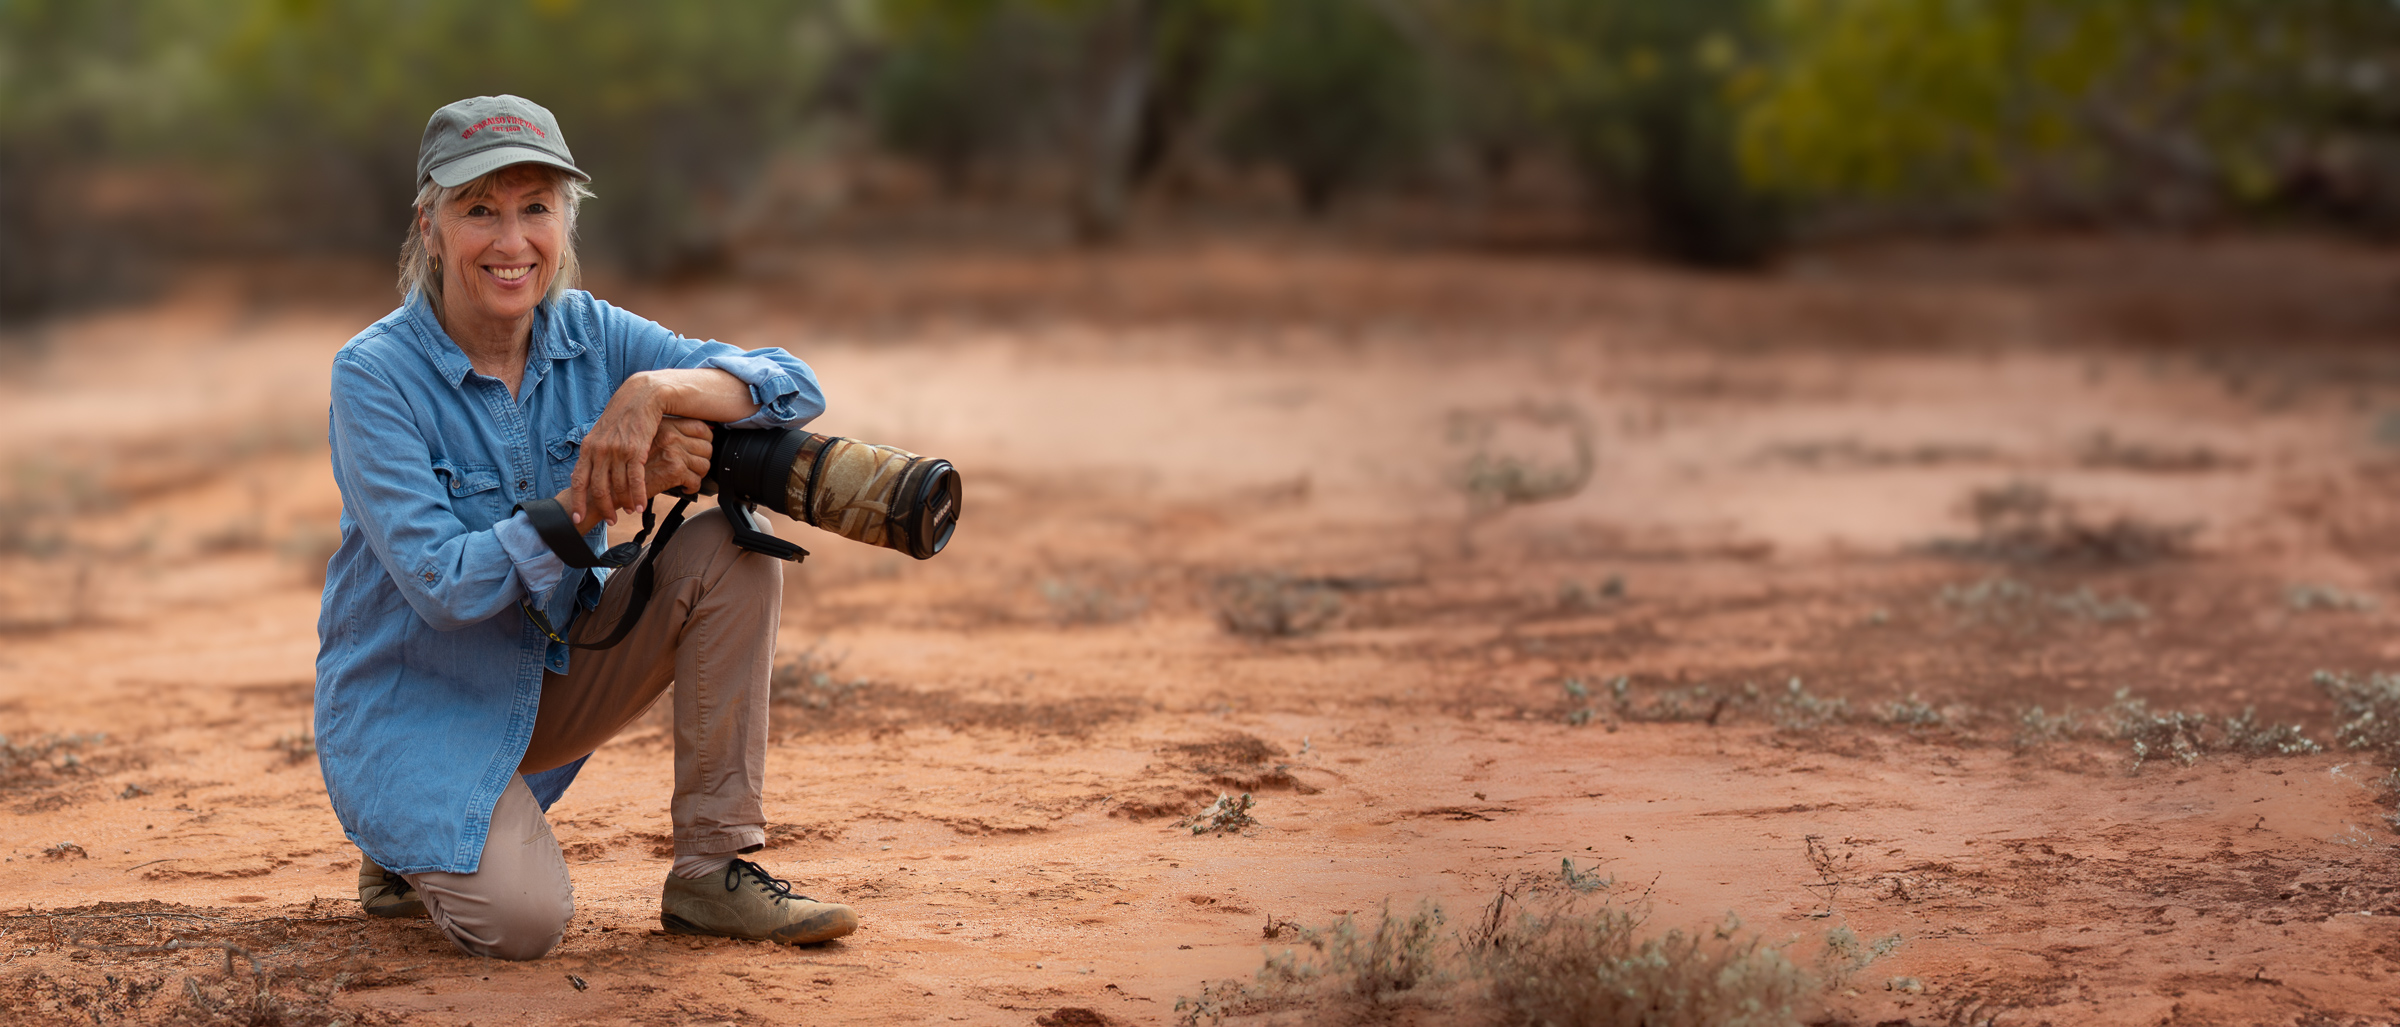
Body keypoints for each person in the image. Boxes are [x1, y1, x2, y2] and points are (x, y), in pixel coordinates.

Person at [315, 94, 855, 961]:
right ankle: (404, 838)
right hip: (414, 709)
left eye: (536, 207)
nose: (512, 240)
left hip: (546, 676)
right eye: (479, 210)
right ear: (429, 226)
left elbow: (793, 384)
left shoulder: (592, 334)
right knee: (525, 923)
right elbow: (445, 587)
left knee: (733, 548)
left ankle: (711, 870)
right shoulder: (373, 375)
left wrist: (655, 391)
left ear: (566, 221)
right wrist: (592, 497)